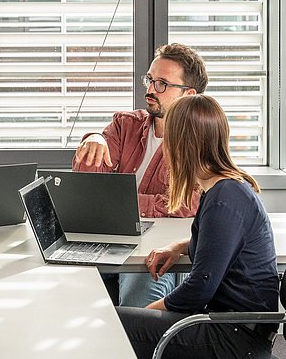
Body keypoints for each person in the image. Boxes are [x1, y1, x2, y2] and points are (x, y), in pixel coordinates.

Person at [116, 94, 278, 358]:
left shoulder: (224, 199)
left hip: (233, 338)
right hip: (231, 327)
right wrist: (179, 247)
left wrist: (149, 312)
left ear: (182, 144)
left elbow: (199, 286)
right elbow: (219, 247)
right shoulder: (222, 189)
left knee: (112, 324)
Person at [73, 43, 209, 307]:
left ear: (188, 94)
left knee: (139, 308)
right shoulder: (126, 125)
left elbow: (187, 203)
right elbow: (87, 188)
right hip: (108, 239)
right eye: (149, 80)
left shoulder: (200, 139)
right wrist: (94, 139)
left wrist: (122, 203)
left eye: (161, 84)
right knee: (62, 288)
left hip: (158, 248)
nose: (149, 90)